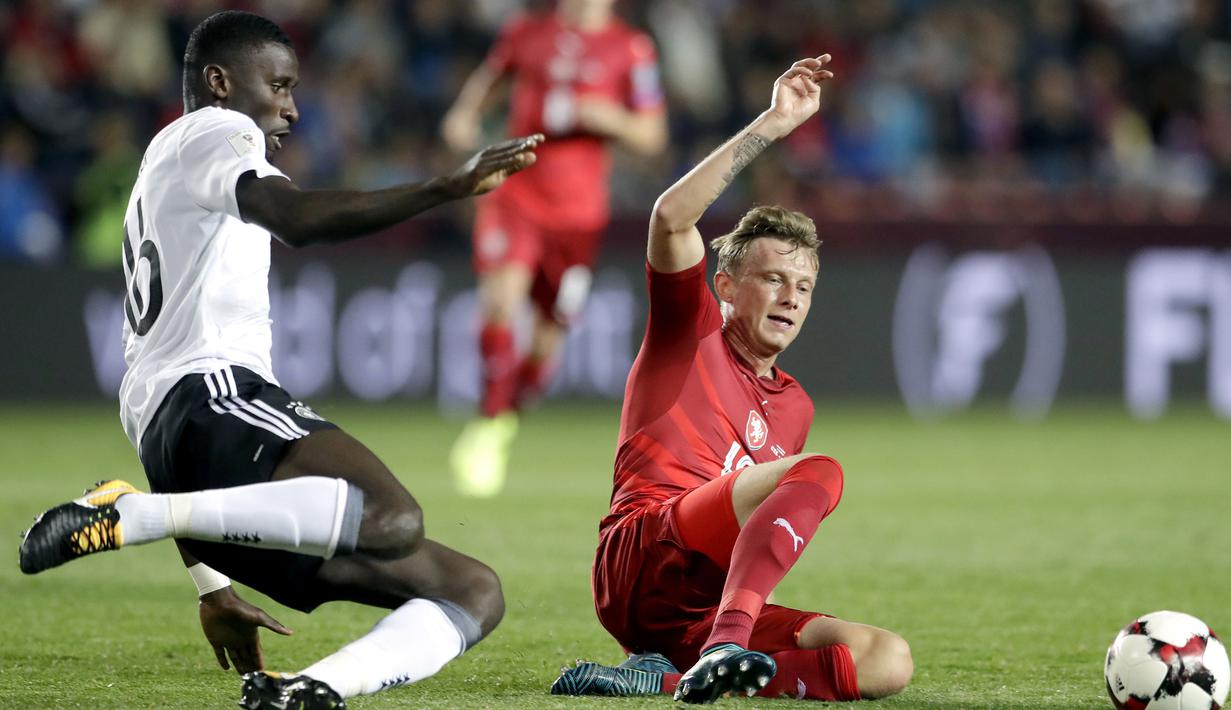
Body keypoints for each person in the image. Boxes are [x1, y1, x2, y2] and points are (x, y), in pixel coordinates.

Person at [18, 11, 542, 710]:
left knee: (473, 590)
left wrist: (212, 587)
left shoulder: (164, 164)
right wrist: (444, 188)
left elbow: (168, 437)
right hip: (215, 397)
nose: (292, 106)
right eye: (280, 85)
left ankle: (306, 691)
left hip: (193, 446)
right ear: (221, 83)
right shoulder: (218, 130)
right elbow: (294, 219)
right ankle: (136, 517)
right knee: (391, 516)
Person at [551, 56, 914, 703]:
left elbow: (754, 535)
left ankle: (664, 676)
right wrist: (772, 126)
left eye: (803, 285)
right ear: (725, 285)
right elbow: (670, 218)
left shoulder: (794, 403)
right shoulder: (687, 335)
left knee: (885, 661)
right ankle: (725, 649)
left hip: (700, 610)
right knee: (821, 470)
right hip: (640, 553)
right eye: (773, 278)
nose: (791, 297)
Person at [440, 0, 667, 497]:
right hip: (517, 194)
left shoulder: (631, 47)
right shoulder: (527, 33)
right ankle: (488, 420)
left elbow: (653, 134)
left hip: (580, 217)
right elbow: (491, 77)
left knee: (547, 342)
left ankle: (503, 422)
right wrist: (464, 115)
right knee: (500, 300)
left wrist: (607, 116)